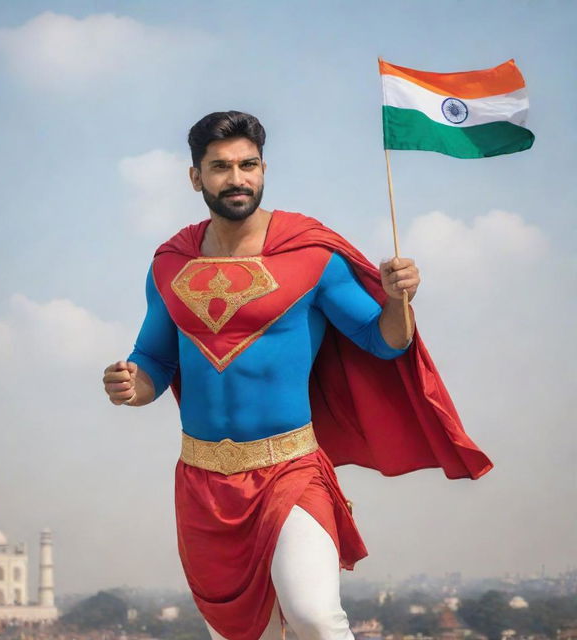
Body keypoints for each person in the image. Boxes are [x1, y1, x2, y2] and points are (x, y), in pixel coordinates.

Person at [103, 111, 492, 640]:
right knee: (244, 634)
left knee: (314, 616)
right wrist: (132, 385)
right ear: (195, 177)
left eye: (248, 165)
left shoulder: (312, 253)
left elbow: (383, 341)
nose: (236, 178)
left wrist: (399, 299)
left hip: (290, 470)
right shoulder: (169, 263)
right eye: (220, 167)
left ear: (264, 170)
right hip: (202, 484)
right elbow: (154, 359)